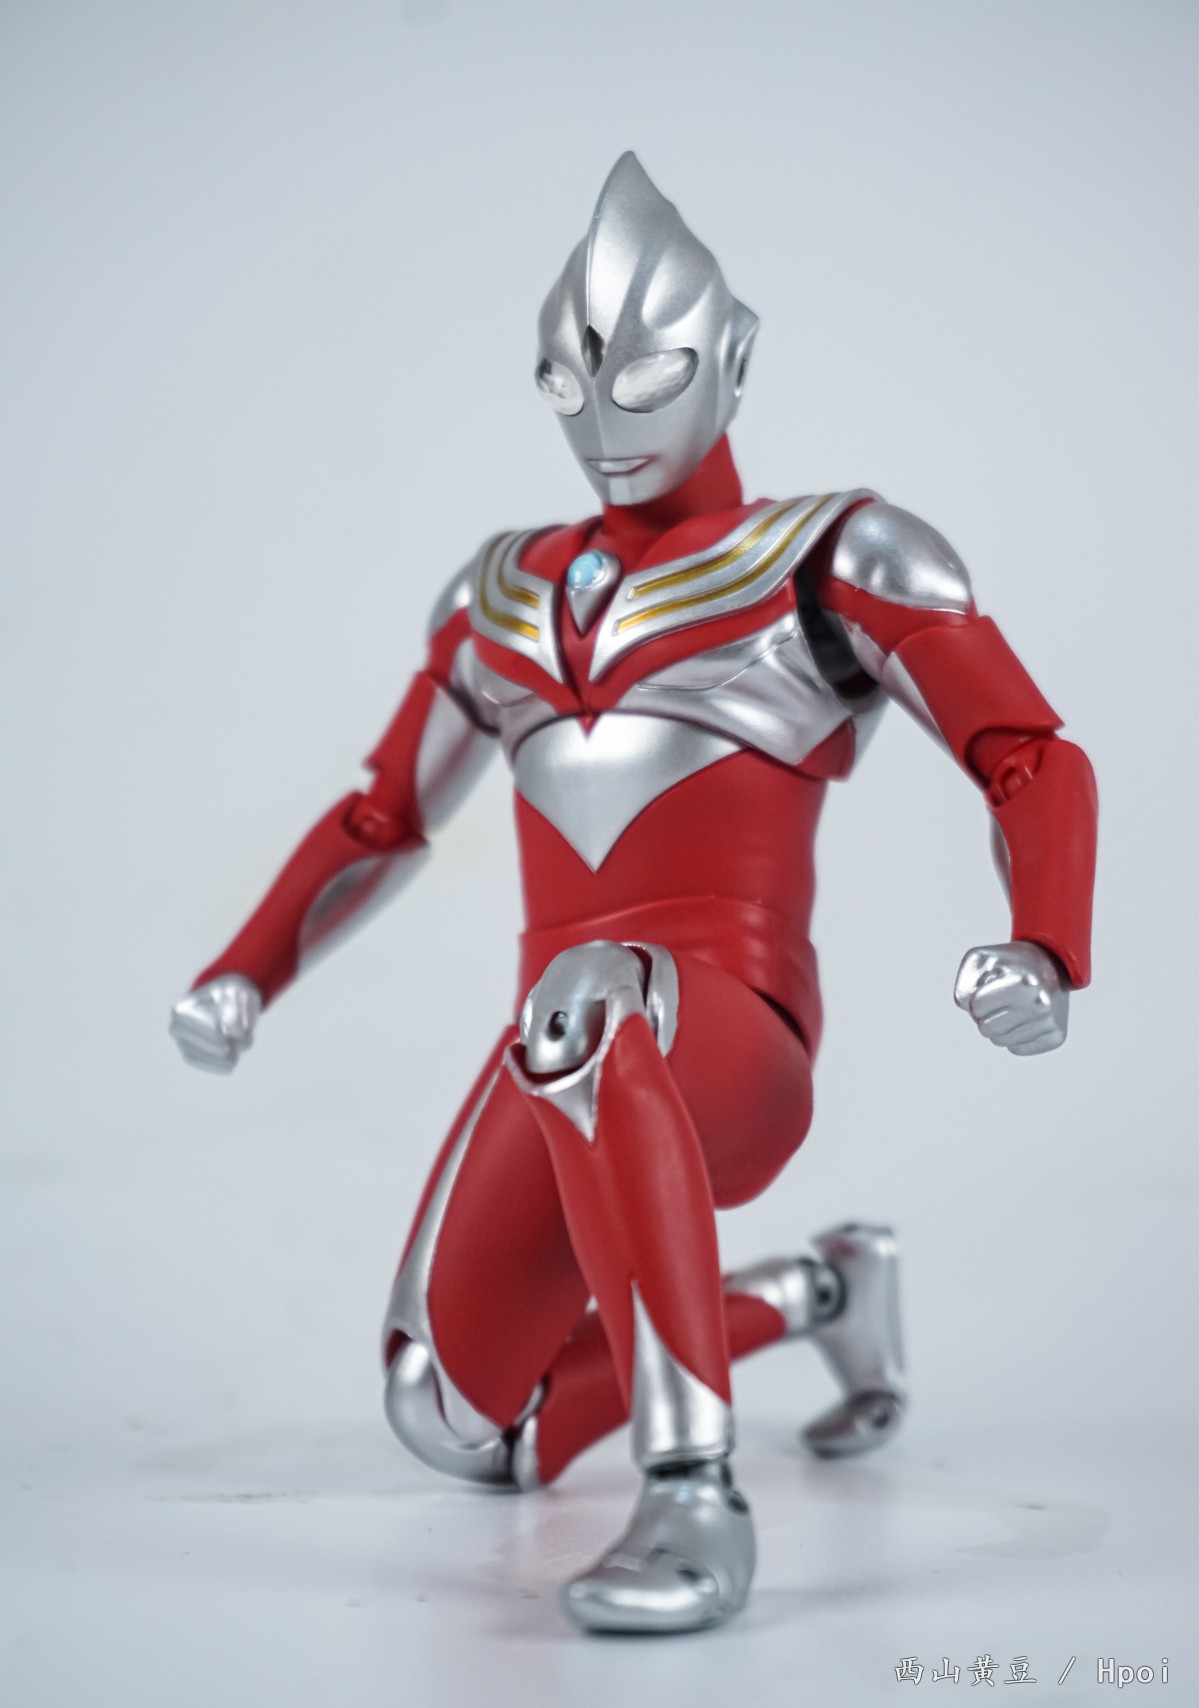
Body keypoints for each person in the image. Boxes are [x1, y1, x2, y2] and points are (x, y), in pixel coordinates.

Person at [171, 153, 1097, 1634]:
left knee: (586, 996)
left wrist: (1044, 943)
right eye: (567, 382)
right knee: (451, 1417)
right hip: (566, 1060)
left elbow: (1027, 755)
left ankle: (693, 1500)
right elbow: (383, 816)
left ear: (734, 358)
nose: (605, 422)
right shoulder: (500, 594)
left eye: (647, 377)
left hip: (736, 1041)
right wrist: (246, 971)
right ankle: (821, 1296)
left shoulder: (830, 558)